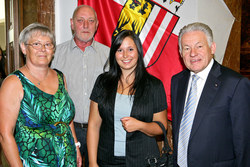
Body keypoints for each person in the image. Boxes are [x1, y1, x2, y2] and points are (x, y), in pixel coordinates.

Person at [0, 23, 82, 166]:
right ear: (24, 48)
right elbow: (5, 135)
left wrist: (76, 146)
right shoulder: (14, 82)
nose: (43, 49)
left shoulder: (60, 77)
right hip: (33, 162)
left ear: (53, 50)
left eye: (48, 44)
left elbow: (66, 120)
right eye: (36, 44)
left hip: (67, 159)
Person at [171, 22, 250, 167]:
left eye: (199, 46)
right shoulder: (177, 81)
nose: (193, 53)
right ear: (181, 53)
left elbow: (244, 143)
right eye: (186, 48)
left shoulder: (236, 84)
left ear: (212, 47)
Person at [87, 30, 168, 166]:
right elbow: (94, 125)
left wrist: (140, 125)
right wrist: (92, 162)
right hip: (106, 160)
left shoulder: (154, 85)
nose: (125, 55)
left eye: (130, 49)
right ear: (114, 54)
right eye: (119, 50)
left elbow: (161, 127)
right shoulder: (102, 82)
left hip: (142, 161)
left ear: (138, 52)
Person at [50, 5, 109, 166]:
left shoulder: (110, 56)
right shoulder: (54, 56)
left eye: (90, 21)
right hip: (66, 131)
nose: (85, 25)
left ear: (97, 25)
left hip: (101, 132)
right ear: (71, 23)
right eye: (80, 20)